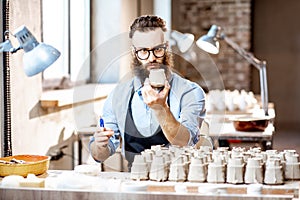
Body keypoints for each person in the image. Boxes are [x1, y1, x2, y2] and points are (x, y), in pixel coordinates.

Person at [90, 15, 207, 170]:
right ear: (134, 52)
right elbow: (100, 155)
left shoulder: (190, 92)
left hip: (179, 178)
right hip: (135, 177)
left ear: (166, 47)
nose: (152, 58)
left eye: (158, 49)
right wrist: (100, 145)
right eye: (144, 51)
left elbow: (185, 141)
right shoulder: (119, 95)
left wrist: (161, 108)